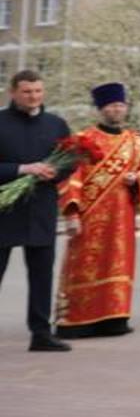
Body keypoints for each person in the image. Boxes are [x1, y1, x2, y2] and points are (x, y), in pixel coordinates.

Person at [54, 82, 140, 338]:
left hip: (121, 217)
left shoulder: (136, 141)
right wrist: (71, 212)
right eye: (112, 106)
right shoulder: (83, 139)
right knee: (83, 265)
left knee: (118, 264)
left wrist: (138, 179)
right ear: (101, 109)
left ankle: (115, 318)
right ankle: (77, 321)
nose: (117, 110)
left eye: (121, 105)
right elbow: (71, 177)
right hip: (90, 216)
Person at [0, 69, 77, 351]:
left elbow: (71, 161)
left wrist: (55, 171)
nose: (33, 97)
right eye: (27, 92)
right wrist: (22, 169)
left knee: (42, 275)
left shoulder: (56, 124)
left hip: (41, 210)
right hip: (4, 210)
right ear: (13, 93)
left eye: (38, 91)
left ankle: (41, 334)